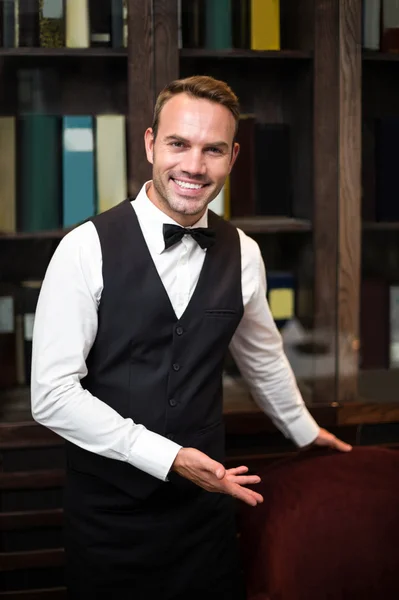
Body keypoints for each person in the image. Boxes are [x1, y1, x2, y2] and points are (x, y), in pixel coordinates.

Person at [31, 75, 352, 600]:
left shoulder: (243, 251)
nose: (194, 167)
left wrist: (304, 431)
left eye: (213, 150)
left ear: (234, 156)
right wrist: (170, 458)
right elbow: (52, 394)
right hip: (110, 519)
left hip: (204, 520)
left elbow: (262, 356)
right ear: (151, 142)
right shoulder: (83, 248)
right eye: (179, 144)